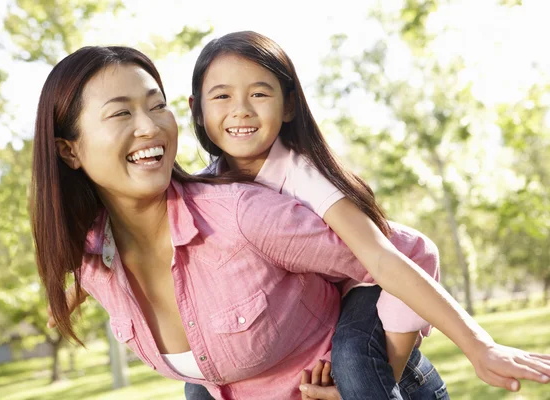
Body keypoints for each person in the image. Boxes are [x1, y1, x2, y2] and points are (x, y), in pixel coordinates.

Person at [37, 45, 549, 400]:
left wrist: (461, 350)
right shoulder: (93, 265)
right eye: (120, 113)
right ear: (69, 149)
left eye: (156, 105)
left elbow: (404, 251)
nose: (150, 126)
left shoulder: (242, 212)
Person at [183, 31, 550, 399]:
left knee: (354, 361)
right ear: (196, 109)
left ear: (290, 105)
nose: (242, 108)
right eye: (222, 96)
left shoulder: (303, 174)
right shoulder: (204, 193)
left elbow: (383, 257)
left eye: (259, 93)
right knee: (198, 387)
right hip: (328, 304)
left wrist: (477, 347)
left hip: (376, 282)